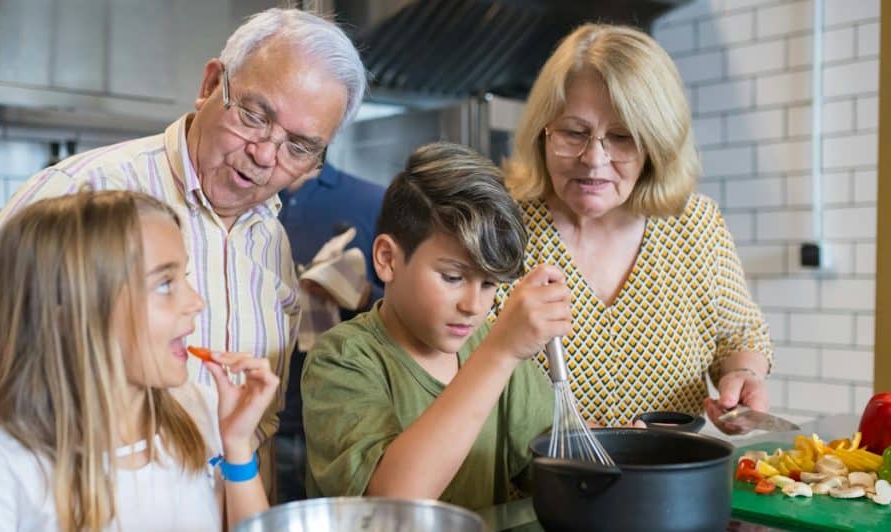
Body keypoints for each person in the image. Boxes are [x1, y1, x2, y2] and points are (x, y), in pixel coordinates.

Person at [0, 7, 366, 508]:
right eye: (255, 115)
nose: (267, 155)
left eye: (299, 146)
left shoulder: (269, 237)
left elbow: (251, 432)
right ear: (211, 84)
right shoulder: (85, 194)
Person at [0, 191, 279, 531]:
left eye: (183, 277)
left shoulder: (202, 413)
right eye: (165, 284)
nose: (196, 302)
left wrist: (237, 444)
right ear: (70, 314)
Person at [494, 23, 773, 433]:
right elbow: (451, 371)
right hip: (538, 489)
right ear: (543, 131)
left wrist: (744, 376)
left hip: (668, 485)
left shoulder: (694, 226)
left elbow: (739, 336)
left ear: (656, 146)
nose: (594, 159)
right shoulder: (499, 229)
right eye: (574, 132)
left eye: (622, 138)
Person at [301, 142, 572, 510]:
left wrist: (623, 454)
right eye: (452, 277)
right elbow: (392, 502)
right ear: (387, 260)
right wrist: (499, 352)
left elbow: (559, 470)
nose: (473, 306)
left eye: (490, 284)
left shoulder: (492, 351)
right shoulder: (343, 359)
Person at [274, 160, 385, 502]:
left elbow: (406, 306)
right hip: (253, 420)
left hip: (343, 420)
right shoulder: (246, 195)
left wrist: (362, 293)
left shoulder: (372, 201)